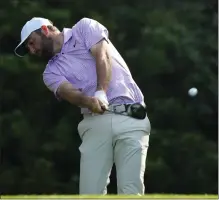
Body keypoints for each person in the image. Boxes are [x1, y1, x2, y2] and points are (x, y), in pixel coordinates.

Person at [14, 17, 151, 195]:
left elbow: (103, 55)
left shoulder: (84, 27)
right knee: (90, 193)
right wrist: (89, 101)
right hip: (95, 123)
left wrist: (101, 91)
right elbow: (70, 93)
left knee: (131, 191)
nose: (32, 50)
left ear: (45, 30)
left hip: (131, 116)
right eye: (28, 48)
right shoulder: (50, 73)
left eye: (31, 43)